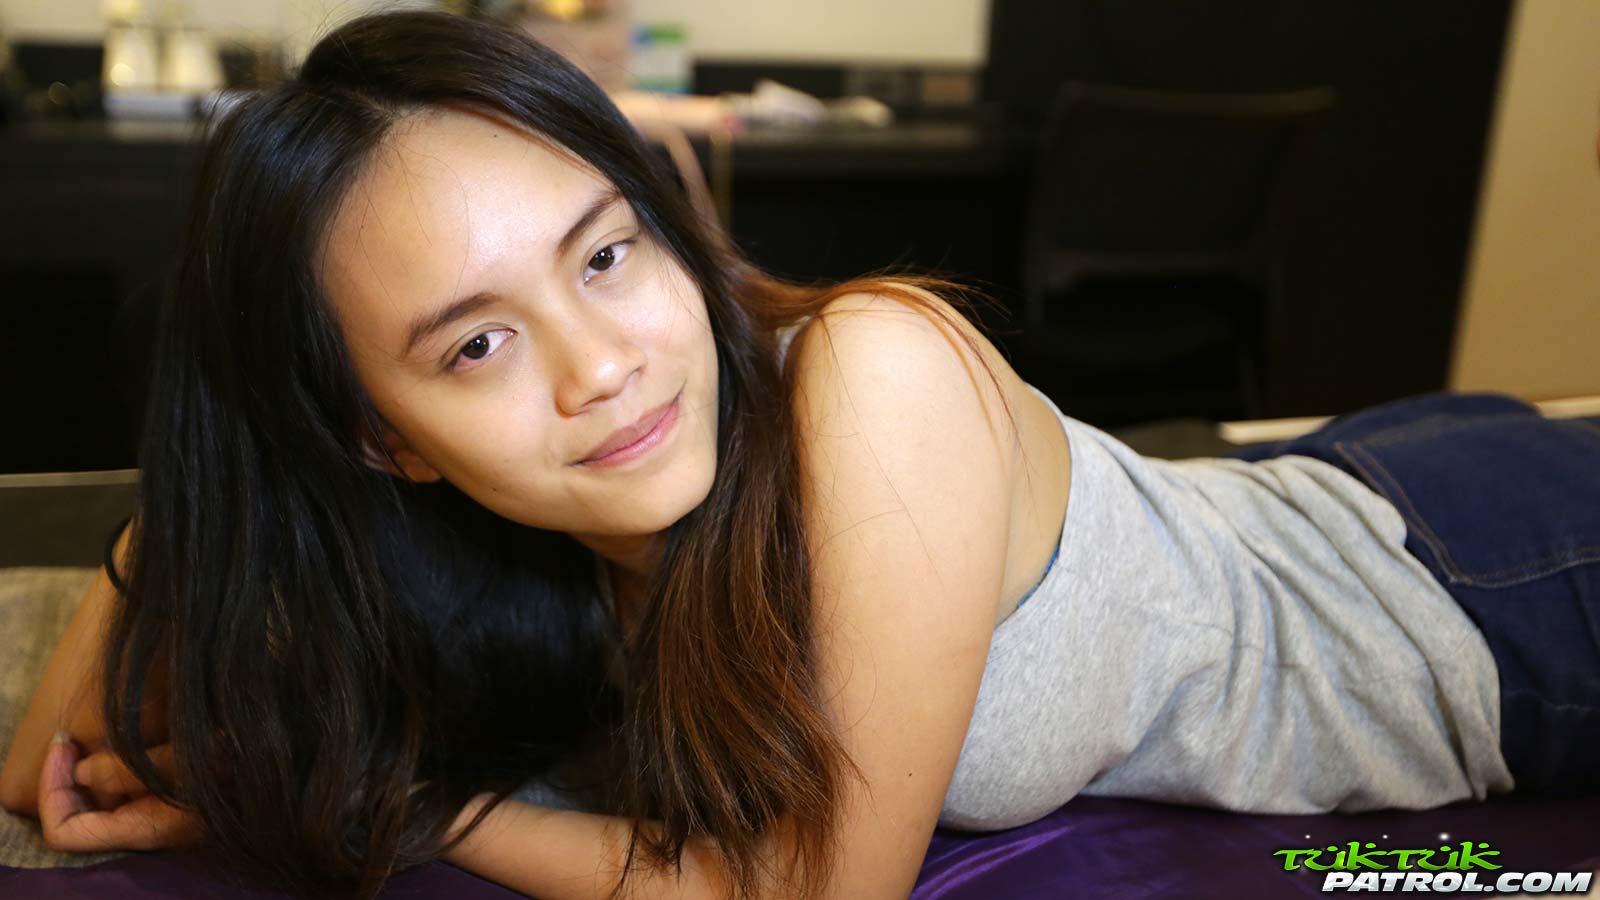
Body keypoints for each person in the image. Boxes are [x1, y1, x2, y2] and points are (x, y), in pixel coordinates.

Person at [0, 9, 1595, 900]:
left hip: (1480, 596)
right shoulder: (454, 540)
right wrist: (176, 540)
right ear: (377, 439)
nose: (602, 365)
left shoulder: (874, 371)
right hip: (1302, 505)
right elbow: (48, 775)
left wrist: (404, 810)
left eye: (606, 254)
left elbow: (807, 899)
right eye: (476, 345)